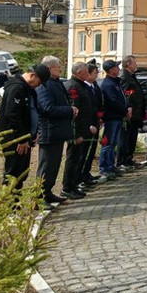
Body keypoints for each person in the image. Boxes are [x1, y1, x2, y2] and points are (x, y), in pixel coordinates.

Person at [0, 64, 50, 202]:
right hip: (14, 139)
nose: (39, 86)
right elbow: (12, 115)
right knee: (13, 175)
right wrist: (21, 138)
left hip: (25, 138)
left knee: (21, 174)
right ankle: (10, 209)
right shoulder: (17, 88)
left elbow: (32, 112)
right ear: (32, 76)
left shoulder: (28, 89)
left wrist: (34, 132)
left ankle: (15, 207)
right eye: (39, 82)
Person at [35, 56, 77, 204]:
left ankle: (47, 192)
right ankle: (39, 197)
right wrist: (69, 110)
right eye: (58, 67)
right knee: (46, 166)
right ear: (49, 68)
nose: (60, 69)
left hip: (57, 132)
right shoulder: (44, 85)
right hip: (49, 131)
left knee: (54, 166)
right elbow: (47, 108)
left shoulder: (55, 83)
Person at [61, 62, 95, 200]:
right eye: (86, 71)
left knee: (78, 159)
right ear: (79, 73)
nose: (88, 74)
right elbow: (74, 114)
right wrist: (77, 134)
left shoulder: (81, 85)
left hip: (84, 129)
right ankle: (67, 187)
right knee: (72, 159)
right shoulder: (72, 86)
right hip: (77, 132)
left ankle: (74, 184)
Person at [99, 60, 129, 179]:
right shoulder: (108, 84)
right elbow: (113, 102)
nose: (119, 68)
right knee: (108, 143)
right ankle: (105, 168)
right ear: (111, 70)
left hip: (117, 117)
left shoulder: (115, 83)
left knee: (113, 144)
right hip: (112, 117)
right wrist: (125, 111)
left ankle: (111, 166)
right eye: (117, 67)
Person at [120, 55, 145, 168]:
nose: (136, 65)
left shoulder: (131, 75)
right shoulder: (124, 77)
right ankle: (123, 160)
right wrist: (128, 107)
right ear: (128, 64)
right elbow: (126, 94)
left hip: (136, 113)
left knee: (132, 138)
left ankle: (129, 159)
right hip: (130, 113)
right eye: (134, 63)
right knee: (126, 138)